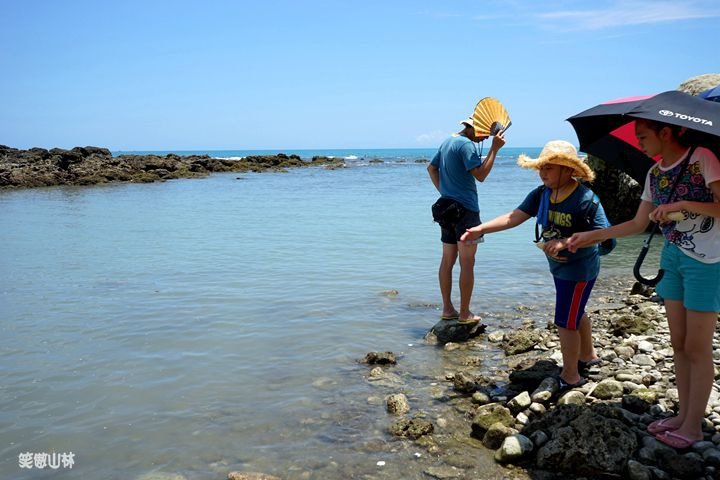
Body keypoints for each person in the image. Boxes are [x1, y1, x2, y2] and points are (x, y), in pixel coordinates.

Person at [568, 119, 720, 449]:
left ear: (666, 132)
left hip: (707, 262)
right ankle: (682, 415)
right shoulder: (654, 174)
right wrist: (590, 237)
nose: (639, 143)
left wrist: (682, 205)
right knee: (678, 343)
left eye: (643, 136)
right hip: (672, 257)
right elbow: (637, 223)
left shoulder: (702, 158)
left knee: (697, 347)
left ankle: (694, 426)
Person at [461, 140, 611, 390]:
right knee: (575, 310)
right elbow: (513, 217)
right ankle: (588, 355)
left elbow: (604, 234)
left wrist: (566, 242)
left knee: (565, 321)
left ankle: (571, 375)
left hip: (579, 269)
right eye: (541, 167)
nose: (543, 172)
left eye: (549, 168)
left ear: (568, 170)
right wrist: (481, 228)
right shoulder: (542, 194)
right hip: (559, 268)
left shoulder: (585, 199)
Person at [427, 117, 505, 324]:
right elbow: (481, 175)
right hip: (467, 211)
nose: (484, 139)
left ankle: (447, 309)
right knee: (467, 263)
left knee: (447, 260)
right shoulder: (467, 145)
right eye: (483, 134)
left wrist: (445, 192)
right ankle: (464, 313)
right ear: (473, 128)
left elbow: (431, 168)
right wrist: (494, 149)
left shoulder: (448, 142)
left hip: (446, 208)